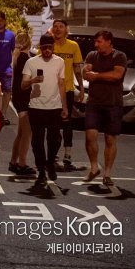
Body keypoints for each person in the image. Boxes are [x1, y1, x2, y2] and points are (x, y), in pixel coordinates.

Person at [21, 34, 68, 185]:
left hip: (54, 106)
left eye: (50, 47)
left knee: (55, 139)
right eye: (45, 48)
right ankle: (41, 170)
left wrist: (64, 106)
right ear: (40, 48)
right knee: (38, 141)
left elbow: (61, 84)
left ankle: (50, 162)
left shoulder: (59, 61)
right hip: (36, 107)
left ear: (53, 47)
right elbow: (23, 85)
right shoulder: (31, 62)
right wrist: (33, 80)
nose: (47, 50)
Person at [82, 30, 127, 186]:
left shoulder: (119, 56)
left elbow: (116, 75)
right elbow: (86, 73)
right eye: (95, 41)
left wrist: (97, 75)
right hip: (94, 102)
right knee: (90, 135)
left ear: (108, 42)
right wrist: (87, 72)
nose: (96, 44)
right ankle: (94, 167)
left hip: (113, 103)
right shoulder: (92, 55)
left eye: (99, 41)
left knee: (110, 139)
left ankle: (107, 173)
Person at [51, 19, 84, 170]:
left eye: (61, 27)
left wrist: (81, 87)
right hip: (51, 91)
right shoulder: (48, 44)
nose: (58, 29)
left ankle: (68, 154)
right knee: (53, 124)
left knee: (66, 122)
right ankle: (53, 154)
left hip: (67, 90)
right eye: (55, 27)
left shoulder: (73, 46)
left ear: (66, 29)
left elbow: (77, 68)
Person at [9, 32, 36, 175]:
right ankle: (22, 163)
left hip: (18, 96)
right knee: (27, 133)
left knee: (21, 133)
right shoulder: (26, 59)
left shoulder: (18, 57)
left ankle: (14, 161)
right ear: (29, 43)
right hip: (24, 97)